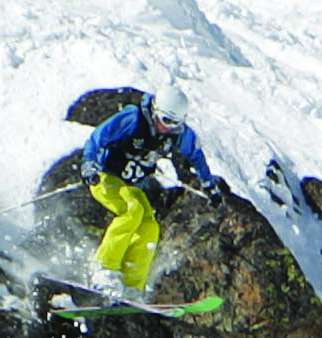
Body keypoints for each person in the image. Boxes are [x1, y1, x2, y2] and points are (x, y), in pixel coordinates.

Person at [80, 84, 221, 290]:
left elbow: (196, 155)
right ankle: (103, 269)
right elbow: (97, 138)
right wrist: (88, 164)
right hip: (106, 177)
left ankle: (132, 283)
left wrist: (209, 184)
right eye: (165, 121)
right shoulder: (134, 118)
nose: (168, 127)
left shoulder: (177, 134)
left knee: (150, 227)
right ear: (155, 110)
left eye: (175, 124)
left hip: (131, 186)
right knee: (132, 211)